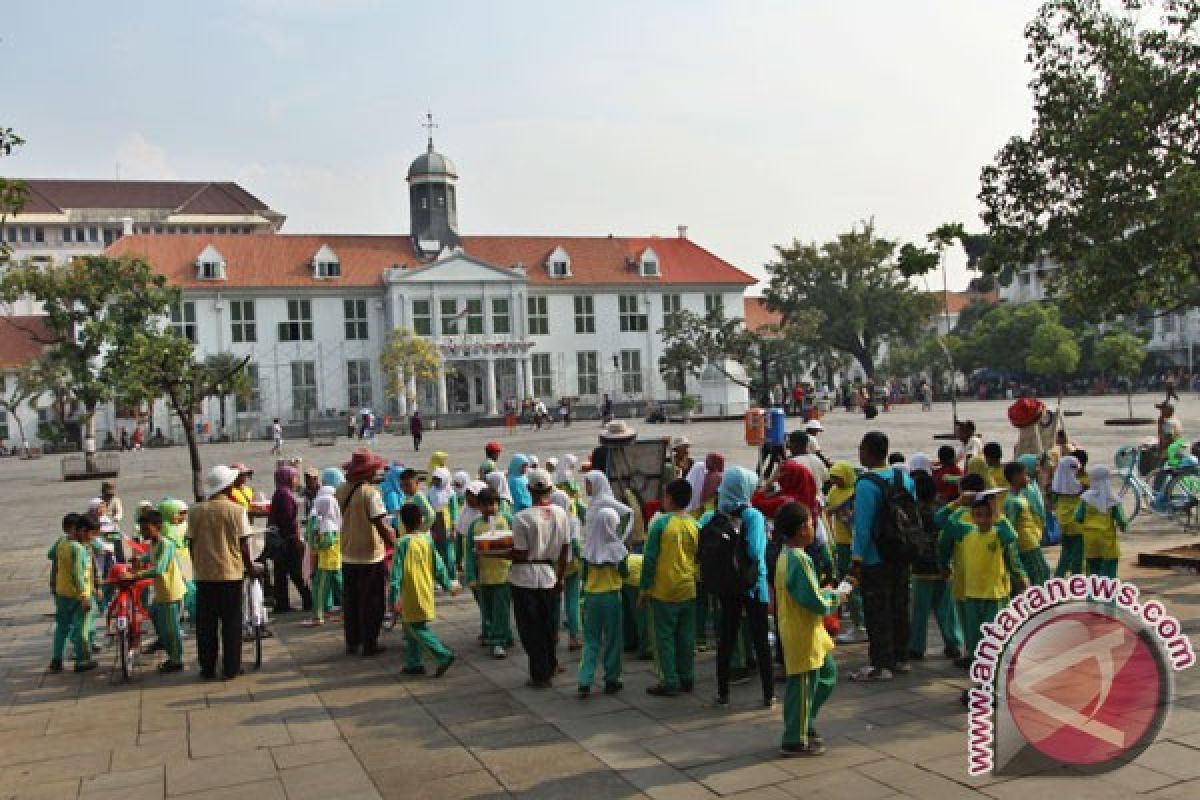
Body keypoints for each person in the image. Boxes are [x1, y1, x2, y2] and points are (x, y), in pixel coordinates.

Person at [701, 467, 774, 707]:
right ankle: (768, 693)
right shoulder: (752, 515)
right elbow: (754, 551)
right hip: (754, 585)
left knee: (727, 637)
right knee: (760, 638)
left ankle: (723, 693)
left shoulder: (713, 516)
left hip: (727, 585)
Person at [848, 431, 915, 683]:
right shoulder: (903, 478)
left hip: (876, 557)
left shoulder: (866, 484)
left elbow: (862, 529)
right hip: (901, 552)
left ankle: (881, 663)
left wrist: (856, 560)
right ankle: (901, 657)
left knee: (877, 610)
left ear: (867, 450)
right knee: (900, 605)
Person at [774, 503, 839, 757]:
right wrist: (833, 598)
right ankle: (794, 738)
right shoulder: (798, 559)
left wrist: (825, 594)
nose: (813, 529)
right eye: (811, 524)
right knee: (802, 685)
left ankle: (804, 721)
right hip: (801, 629)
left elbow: (807, 591)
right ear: (802, 530)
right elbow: (811, 599)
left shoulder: (788, 555)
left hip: (807, 628)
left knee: (826, 674)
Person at [937, 489, 1028, 668]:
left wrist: (996, 512)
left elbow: (1011, 536)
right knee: (975, 635)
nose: (982, 520)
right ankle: (981, 666)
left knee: (996, 633)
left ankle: (1002, 663)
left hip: (995, 595)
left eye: (986, 515)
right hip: (972, 594)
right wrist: (959, 502)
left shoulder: (998, 534)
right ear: (972, 516)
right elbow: (940, 520)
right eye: (978, 515)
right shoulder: (966, 532)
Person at [189, 465, 260, 680]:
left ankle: (208, 667)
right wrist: (250, 568)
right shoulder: (237, 511)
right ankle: (231, 667)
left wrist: (199, 565)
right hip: (230, 573)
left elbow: (191, 544)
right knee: (231, 623)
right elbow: (244, 546)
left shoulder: (195, 511)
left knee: (206, 625)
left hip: (204, 576)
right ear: (228, 486)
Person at [509, 468, 572, 688]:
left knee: (530, 628)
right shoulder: (561, 514)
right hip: (549, 574)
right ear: (550, 489)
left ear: (529, 489)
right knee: (548, 625)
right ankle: (550, 663)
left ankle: (540, 673)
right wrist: (561, 576)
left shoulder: (521, 518)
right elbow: (565, 550)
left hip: (524, 577)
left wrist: (497, 553)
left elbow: (521, 552)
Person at [640, 478, 699, 698]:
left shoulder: (660, 525)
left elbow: (650, 560)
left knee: (663, 638)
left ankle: (669, 679)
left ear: (670, 499)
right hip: (688, 588)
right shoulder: (695, 525)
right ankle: (687, 677)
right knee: (686, 637)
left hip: (663, 591)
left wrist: (644, 590)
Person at [336, 449, 397, 657]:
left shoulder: (342, 489)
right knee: (372, 601)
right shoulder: (370, 493)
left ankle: (353, 641)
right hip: (370, 555)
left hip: (347, 552)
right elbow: (380, 524)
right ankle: (370, 642)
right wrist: (396, 544)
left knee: (352, 601)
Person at [389, 502, 459, 676]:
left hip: (410, 592)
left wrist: (393, 597)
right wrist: (448, 585)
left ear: (402, 523)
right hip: (425, 589)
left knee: (414, 627)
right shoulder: (426, 540)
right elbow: (439, 566)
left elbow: (396, 574)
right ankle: (414, 662)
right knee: (411, 625)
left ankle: (442, 654)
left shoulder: (402, 543)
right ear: (421, 521)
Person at [906, 470, 963, 661]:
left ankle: (916, 646)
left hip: (921, 565)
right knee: (946, 608)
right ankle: (952, 643)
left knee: (920, 610)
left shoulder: (914, 510)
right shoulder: (943, 505)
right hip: (944, 563)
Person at [578, 506, 629, 696]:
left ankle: (585, 678)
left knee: (591, 640)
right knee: (613, 639)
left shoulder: (588, 548)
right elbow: (625, 573)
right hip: (612, 598)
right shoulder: (618, 549)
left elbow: (583, 575)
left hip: (591, 598)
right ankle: (612, 678)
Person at [134, 509, 186, 673]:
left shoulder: (166, 543)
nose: (144, 533)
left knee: (171, 629)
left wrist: (137, 574)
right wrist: (138, 560)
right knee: (154, 614)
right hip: (160, 592)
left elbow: (159, 568)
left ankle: (176, 659)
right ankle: (162, 641)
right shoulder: (153, 544)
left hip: (170, 591)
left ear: (158, 527)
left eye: (146, 530)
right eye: (142, 530)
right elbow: (149, 556)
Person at [465, 487, 514, 658]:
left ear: (498, 504)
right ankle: (503, 634)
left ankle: (498, 641)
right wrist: (470, 575)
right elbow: (469, 553)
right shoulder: (475, 526)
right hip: (484, 576)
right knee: (488, 610)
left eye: (492, 504)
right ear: (479, 507)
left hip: (504, 574)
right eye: (485, 505)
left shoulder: (507, 519)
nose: (489, 509)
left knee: (502, 608)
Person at [48, 513, 97, 673]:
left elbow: (50, 554)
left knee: (62, 627)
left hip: (61, 592)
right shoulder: (78, 548)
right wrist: (84, 595)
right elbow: (77, 574)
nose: (92, 538)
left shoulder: (62, 541)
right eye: (91, 534)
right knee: (81, 627)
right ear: (81, 531)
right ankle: (82, 660)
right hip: (77, 594)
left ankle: (56, 659)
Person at [267, 464, 312, 614]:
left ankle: (282, 604)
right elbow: (288, 520)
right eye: (294, 477)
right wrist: (297, 538)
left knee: (281, 572)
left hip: (281, 539)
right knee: (297, 571)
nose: (296, 480)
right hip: (289, 539)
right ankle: (308, 600)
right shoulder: (285, 495)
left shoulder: (279, 493)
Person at [304, 469, 345, 627]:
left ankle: (317, 616)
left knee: (319, 589)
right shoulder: (334, 519)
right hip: (335, 559)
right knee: (340, 587)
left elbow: (327, 541)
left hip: (326, 560)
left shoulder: (326, 522)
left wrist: (316, 546)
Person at [1003, 460, 1051, 589]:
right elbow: (1011, 527)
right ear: (1015, 477)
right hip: (1027, 544)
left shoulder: (1020, 496)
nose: (1027, 478)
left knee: (1040, 574)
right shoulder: (1013, 501)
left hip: (1031, 541)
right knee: (1041, 574)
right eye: (1025, 475)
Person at [1076, 465, 1128, 578]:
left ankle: (1093, 594)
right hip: (1107, 538)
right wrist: (1123, 527)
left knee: (1093, 568)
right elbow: (1122, 520)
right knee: (1110, 567)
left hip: (1090, 538)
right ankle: (1109, 594)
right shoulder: (1112, 499)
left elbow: (1078, 517)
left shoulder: (1086, 498)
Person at [1051, 456, 1085, 577]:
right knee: (1078, 554)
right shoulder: (1079, 485)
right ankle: (1076, 578)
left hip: (1063, 521)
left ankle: (1059, 575)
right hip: (1076, 523)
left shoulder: (1057, 485)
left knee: (1066, 552)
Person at [427, 467, 459, 577]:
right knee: (437, 550)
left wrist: (454, 528)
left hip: (447, 524)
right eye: (434, 479)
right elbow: (429, 508)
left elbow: (454, 511)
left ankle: (451, 575)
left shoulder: (451, 493)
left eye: (438, 479)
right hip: (435, 523)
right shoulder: (431, 492)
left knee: (449, 551)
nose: (435, 481)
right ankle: (440, 576)